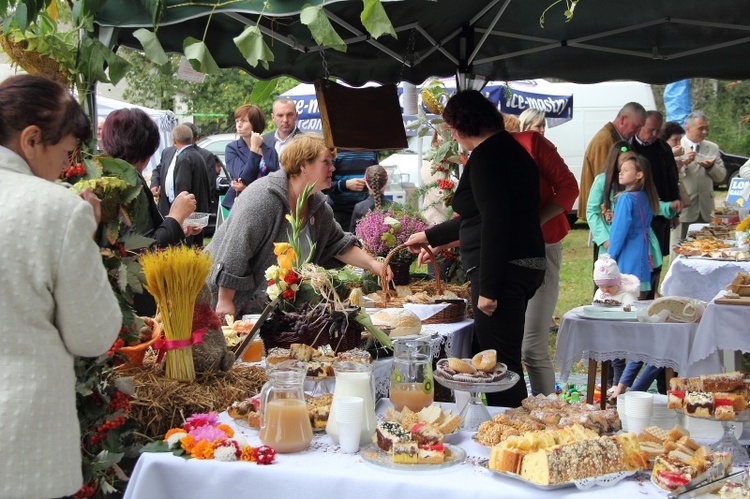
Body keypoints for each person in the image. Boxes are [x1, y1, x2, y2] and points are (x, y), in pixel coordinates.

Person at [0, 74, 122, 498]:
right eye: (66, 153)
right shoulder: (57, 210)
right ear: (32, 140)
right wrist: (84, 239)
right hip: (22, 446)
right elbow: (93, 334)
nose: (65, 167)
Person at [405, 90, 546, 408]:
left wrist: (489, 289)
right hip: (523, 264)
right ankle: (493, 425)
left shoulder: (486, 158)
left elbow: (495, 224)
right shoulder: (510, 150)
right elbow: (479, 217)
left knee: (501, 366)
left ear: (461, 126)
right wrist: (429, 236)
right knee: (490, 355)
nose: (451, 137)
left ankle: (512, 436)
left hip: (502, 269)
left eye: (451, 129)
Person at [207, 134, 392, 317]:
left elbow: (337, 244)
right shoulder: (263, 198)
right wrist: (225, 300)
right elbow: (235, 250)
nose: (333, 168)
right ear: (303, 165)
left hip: (267, 312)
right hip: (224, 305)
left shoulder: (318, 207)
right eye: (326, 162)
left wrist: (373, 265)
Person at [513, 118, 579, 396]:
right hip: (502, 257)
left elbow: (569, 189)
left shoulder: (531, 143)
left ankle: (547, 414)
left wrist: (534, 222)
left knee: (532, 346)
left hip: (542, 248)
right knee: (507, 346)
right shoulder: (476, 155)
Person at [630, 111, 681, 298]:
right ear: (641, 126)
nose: (654, 134)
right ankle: (637, 293)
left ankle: (652, 293)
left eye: (658, 131)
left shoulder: (663, 148)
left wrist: (674, 213)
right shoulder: (628, 147)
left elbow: (671, 180)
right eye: (651, 130)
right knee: (639, 256)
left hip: (660, 213)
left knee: (657, 257)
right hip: (635, 211)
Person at [578, 102, 647, 220]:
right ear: (623, 119)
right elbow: (605, 181)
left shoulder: (616, 138)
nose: (638, 131)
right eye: (636, 126)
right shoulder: (605, 140)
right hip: (604, 215)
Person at [609, 154, 661, 297]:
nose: (621, 172)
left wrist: (610, 256)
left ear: (639, 175)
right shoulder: (647, 197)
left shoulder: (626, 198)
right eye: (621, 169)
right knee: (640, 294)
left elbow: (619, 231)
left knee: (624, 295)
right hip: (644, 249)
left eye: (626, 170)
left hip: (629, 250)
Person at [673, 111, 726, 241]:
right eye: (700, 128)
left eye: (706, 128)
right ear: (687, 129)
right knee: (679, 247)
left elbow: (721, 177)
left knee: (706, 248)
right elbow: (669, 175)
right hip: (684, 208)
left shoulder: (712, 148)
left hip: (706, 209)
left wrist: (710, 167)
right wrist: (683, 164)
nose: (704, 132)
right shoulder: (676, 147)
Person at [223, 104, 280, 211]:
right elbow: (244, 178)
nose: (239, 125)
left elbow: (275, 181)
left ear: (255, 124)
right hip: (242, 204)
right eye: (237, 121)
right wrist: (254, 150)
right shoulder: (232, 148)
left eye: (244, 121)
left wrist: (246, 187)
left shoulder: (270, 151)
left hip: (266, 204)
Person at [327, 149, 379, 229]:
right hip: (339, 212)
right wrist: (345, 184)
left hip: (364, 212)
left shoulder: (371, 151)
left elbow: (376, 178)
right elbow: (322, 186)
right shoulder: (335, 151)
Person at [186, 122, 220, 217]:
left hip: (195, 207)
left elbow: (210, 184)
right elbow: (160, 169)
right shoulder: (169, 152)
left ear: (196, 138)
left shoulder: (205, 156)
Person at [349, 164, 393, 232]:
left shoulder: (359, 208)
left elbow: (352, 235)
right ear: (387, 181)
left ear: (365, 181)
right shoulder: (395, 207)